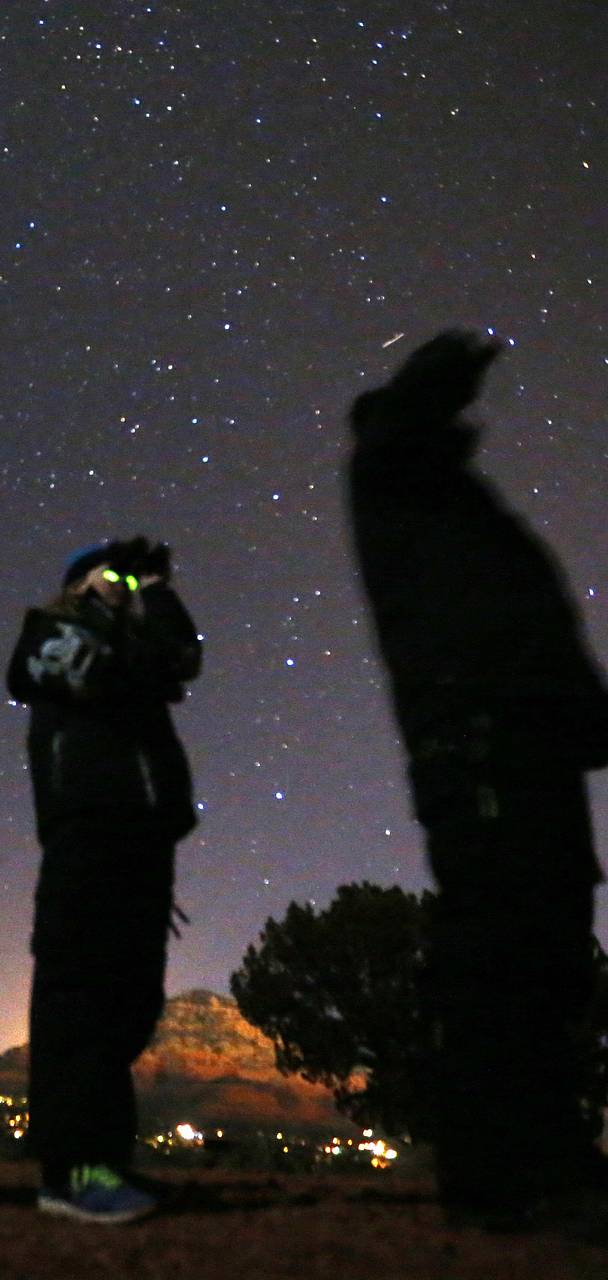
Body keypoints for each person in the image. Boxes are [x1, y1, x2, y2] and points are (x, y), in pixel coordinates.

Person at [344, 331, 608, 1226]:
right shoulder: (395, 483)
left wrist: (583, 718)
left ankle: (546, 1157)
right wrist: (439, 372)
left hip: (532, 742)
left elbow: (527, 624)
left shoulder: (459, 506)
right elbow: (397, 432)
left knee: (552, 950)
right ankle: (505, 1177)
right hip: (480, 741)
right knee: (503, 945)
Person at [6, 537, 201, 1224]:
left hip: (144, 843)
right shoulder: (51, 636)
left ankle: (107, 1166)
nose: (124, 584)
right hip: (89, 835)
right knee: (80, 1005)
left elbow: (182, 657)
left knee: (128, 1008)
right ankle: (72, 1175)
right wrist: (115, 608)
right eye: (110, 574)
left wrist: (155, 590)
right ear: (76, 585)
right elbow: (113, 673)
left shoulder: (138, 653)